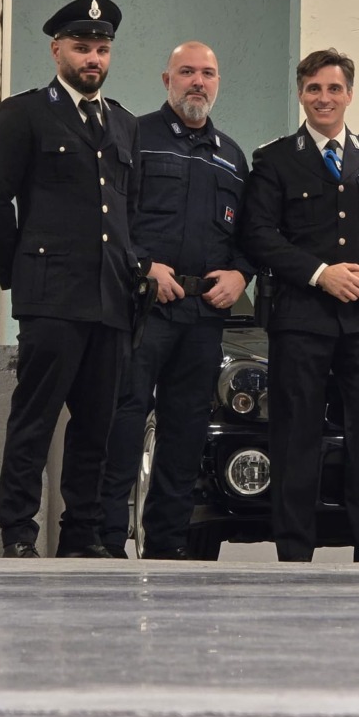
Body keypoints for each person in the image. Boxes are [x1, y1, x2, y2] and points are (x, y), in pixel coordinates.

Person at [0, 0, 139, 558]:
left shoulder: (123, 122)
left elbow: (130, 211)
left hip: (111, 298)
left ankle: (80, 536)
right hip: (51, 299)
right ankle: (19, 534)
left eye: (102, 49)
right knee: (35, 421)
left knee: (95, 429)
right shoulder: (25, 113)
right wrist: (21, 273)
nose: (92, 58)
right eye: (81, 47)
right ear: (57, 50)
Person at [242, 47, 359, 562]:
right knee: (296, 439)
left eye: (334, 88)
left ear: (350, 95)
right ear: (300, 94)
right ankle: (295, 555)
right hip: (301, 321)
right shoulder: (275, 159)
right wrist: (321, 273)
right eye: (314, 88)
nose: (324, 98)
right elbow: (258, 234)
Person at [100, 42, 251, 559]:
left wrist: (242, 274)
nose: (198, 82)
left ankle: (167, 545)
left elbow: (249, 236)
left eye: (208, 73)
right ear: (167, 79)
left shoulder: (232, 156)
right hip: (143, 307)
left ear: (218, 82)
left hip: (203, 316)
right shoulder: (134, 135)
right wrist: (143, 265)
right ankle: (105, 541)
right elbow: (110, 214)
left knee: (186, 432)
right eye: (187, 72)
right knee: (123, 421)